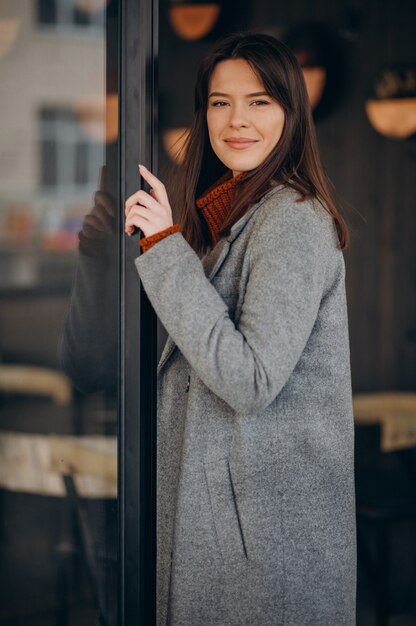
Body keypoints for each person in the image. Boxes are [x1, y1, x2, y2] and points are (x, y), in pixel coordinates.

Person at [125, 32, 356, 626]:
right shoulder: (231, 215)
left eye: (259, 101)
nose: (236, 120)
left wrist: (164, 246)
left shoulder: (292, 219)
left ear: (291, 113)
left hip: (262, 544)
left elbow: (250, 379)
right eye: (219, 102)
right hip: (230, 527)